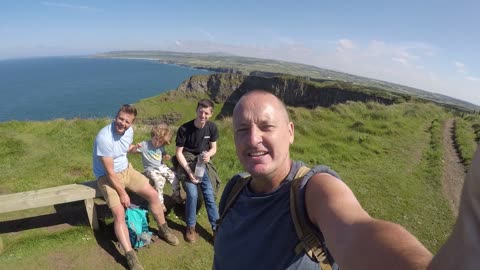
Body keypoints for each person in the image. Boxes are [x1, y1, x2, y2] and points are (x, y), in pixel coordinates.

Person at [213, 90, 433, 270]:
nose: (252, 139)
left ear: (290, 132)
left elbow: (359, 233)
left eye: (266, 127)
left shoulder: (313, 191)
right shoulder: (235, 188)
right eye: (242, 130)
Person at [92, 104, 179, 270]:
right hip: (107, 176)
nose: (122, 123)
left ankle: (163, 229)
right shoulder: (104, 138)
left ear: (131, 123)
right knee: (118, 213)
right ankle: (130, 255)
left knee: (153, 195)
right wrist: (123, 193)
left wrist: (134, 149)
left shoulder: (129, 132)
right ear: (116, 116)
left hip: (126, 170)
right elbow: (110, 172)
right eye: (120, 119)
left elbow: (124, 150)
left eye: (127, 121)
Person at [174, 99, 220, 243]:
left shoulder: (212, 128)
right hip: (186, 162)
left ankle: (216, 228)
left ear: (211, 114)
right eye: (201, 111)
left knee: (209, 194)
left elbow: (214, 148)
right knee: (192, 194)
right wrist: (189, 172)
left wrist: (209, 155)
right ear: (196, 110)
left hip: (201, 162)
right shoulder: (184, 129)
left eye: (206, 113)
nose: (203, 115)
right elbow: (178, 153)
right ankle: (190, 227)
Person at [131, 123, 183, 210]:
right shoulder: (145, 144)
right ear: (153, 135)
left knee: (173, 176)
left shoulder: (161, 146)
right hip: (150, 169)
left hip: (161, 166)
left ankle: (176, 194)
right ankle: (160, 203)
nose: (157, 142)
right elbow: (132, 151)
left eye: (160, 141)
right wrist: (136, 148)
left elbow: (162, 153)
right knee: (159, 182)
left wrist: (165, 156)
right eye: (156, 139)